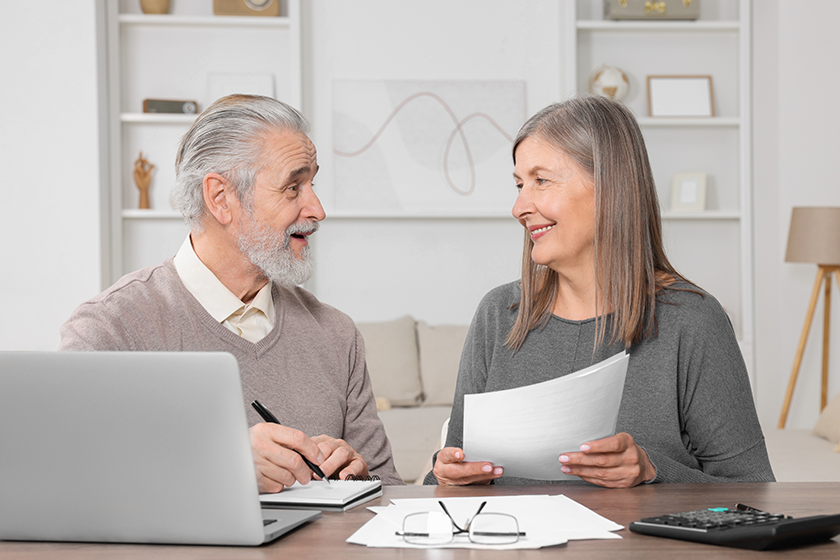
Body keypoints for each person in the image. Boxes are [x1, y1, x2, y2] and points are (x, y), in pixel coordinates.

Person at [425, 95, 774, 488]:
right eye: (520, 184)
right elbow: (442, 479)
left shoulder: (692, 321)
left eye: (541, 180)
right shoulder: (499, 313)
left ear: (610, 186)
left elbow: (757, 492)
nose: (519, 206)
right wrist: (448, 475)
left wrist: (652, 472)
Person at [60, 94, 402, 490]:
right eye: (293, 187)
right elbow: (65, 482)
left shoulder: (337, 335)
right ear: (221, 199)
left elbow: (392, 493)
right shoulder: (110, 329)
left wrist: (360, 479)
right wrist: (223, 463)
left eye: (312, 184)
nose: (317, 208)